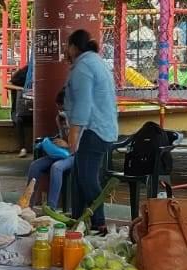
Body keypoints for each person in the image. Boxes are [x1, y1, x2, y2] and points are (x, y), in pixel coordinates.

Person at [64, 29, 118, 230]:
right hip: (102, 128)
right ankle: (77, 219)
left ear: (74, 47)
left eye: (67, 46)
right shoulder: (96, 62)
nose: (66, 51)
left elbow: (83, 104)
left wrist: (73, 132)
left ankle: (99, 223)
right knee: (78, 176)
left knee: (87, 178)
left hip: (93, 130)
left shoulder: (84, 67)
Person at [9, 64, 32, 157]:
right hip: (20, 109)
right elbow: (8, 84)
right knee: (19, 120)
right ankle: (22, 148)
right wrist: (22, 89)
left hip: (32, 109)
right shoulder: (24, 72)